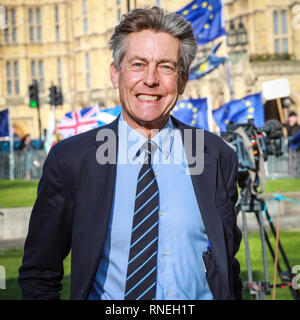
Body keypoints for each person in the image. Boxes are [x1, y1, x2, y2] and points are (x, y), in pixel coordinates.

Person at [18, 7, 242, 300]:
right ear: (115, 73)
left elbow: (226, 264)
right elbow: (39, 274)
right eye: (138, 64)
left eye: (166, 66)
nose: (150, 80)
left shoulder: (216, 156)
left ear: (183, 80)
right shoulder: (71, 160)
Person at [287, 111, 300, 176]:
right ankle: (290, 174)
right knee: (290, 161)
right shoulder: (287, 126)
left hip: (297, 146)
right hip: (290, 146)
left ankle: (295, 174)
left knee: (296, 161)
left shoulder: (298, 127)